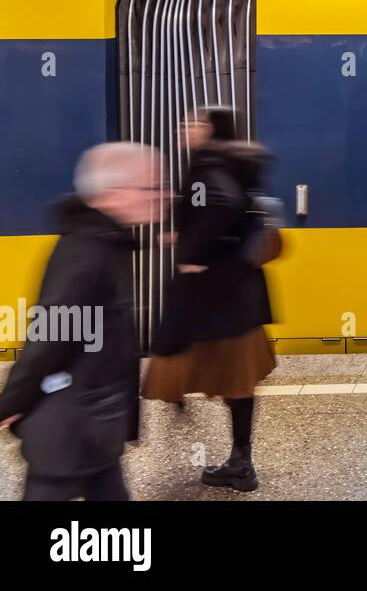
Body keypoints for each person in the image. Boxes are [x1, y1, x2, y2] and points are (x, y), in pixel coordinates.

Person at [0, 143, 162, 501]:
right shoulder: (86, 252)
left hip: (92, 421)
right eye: (151, 188)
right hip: (70, 425)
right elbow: (51, 336)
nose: (162, 196)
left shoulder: (108, 243)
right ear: (114, 194)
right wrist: (11, 402)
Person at [143, 107, 277, 491]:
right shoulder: (235, 161)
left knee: (213, 367)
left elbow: (220, 204)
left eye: (193, 123)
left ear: (211, 130)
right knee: (236, 378)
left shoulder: (209, 166)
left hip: (219, 297)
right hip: (239, 294)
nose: (184, 128)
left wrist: (192, 256)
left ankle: (240, 462)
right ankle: (239, 457)